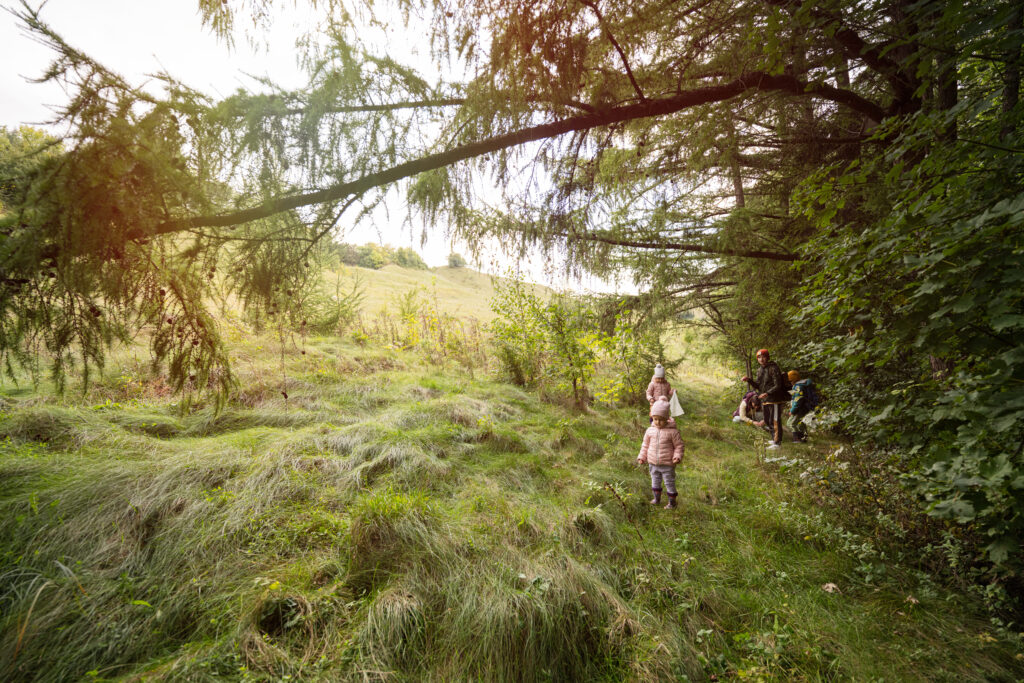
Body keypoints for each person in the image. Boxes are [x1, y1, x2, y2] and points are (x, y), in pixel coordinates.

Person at [636, 398, 685, 509]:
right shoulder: (650, 431)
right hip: (653, 463)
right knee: (655, 481)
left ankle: (672, 503)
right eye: (655, 419)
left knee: (669, 483)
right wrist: (642, 457)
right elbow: (645, 445)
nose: (658, 422)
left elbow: (679, 446)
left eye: (661, 419)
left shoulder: (673, 432)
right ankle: (656, 499)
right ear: (652, 417)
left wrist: (677, 456)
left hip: (667, 463)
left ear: (667, 418)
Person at [741, 348, 788, 449]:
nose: (761, 359)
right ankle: (774, 439)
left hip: (775, 398)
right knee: (767, 420)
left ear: (767, 357)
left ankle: (777, 442)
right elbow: (758, 386)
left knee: (775, 420)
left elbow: (778, 385)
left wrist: (767, 393)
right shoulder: (760, 370)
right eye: (759, 357)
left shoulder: (773, 368)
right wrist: (749, 380)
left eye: (763, 357)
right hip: (765, 399)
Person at [786, 370, 819, 443]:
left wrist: (792, 410)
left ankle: (797, 439)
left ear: (793, 380)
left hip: (799, 409)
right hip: (805, 407)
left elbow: (798, 400)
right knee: (801, 423)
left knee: (791, 423)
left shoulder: (798, 386)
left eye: (790, 381)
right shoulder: (803, 384)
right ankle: (804, 438)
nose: (790, 383)